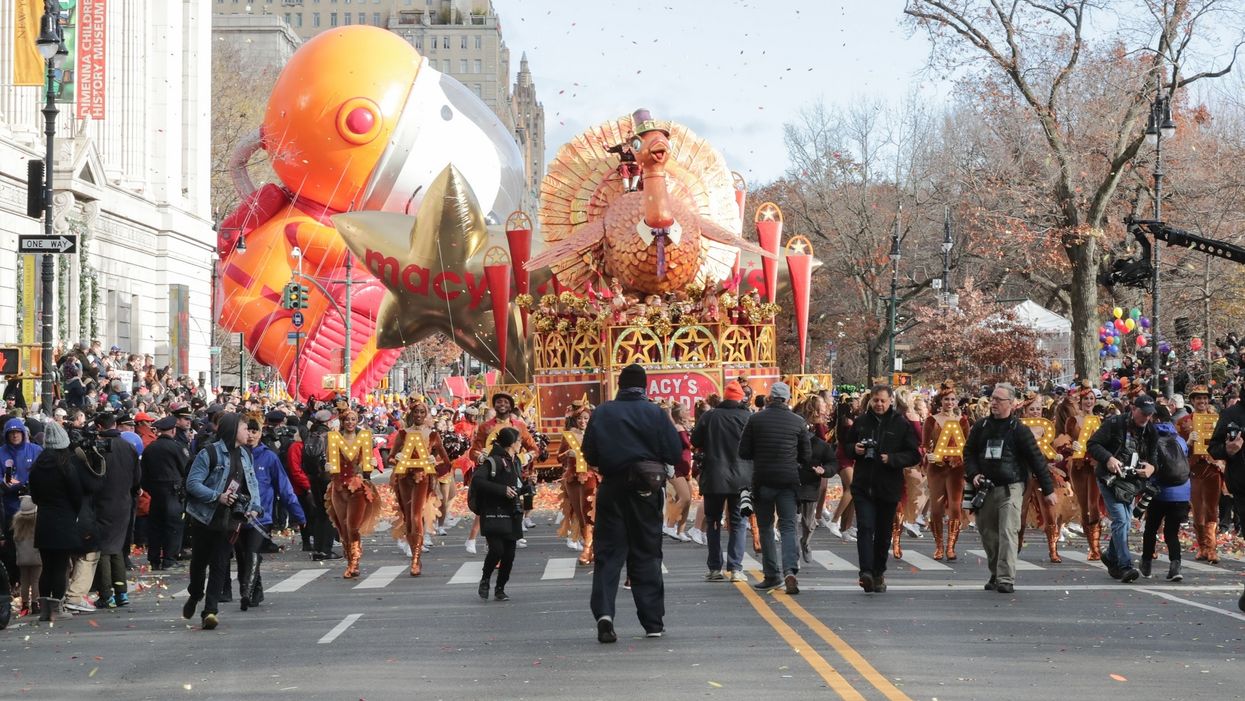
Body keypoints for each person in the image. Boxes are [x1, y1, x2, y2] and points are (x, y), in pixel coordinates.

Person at [583, 364, 682, 644]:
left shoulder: (602, 411)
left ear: (620, 385)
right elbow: (674, 452)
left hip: (612, 486)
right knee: (646, 552)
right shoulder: (655, 413)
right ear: (644, 385)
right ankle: (652, 621)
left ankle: (605, 614)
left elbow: (589, 452)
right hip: (646, 489)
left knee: (608, 554)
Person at [963, 383, 1057, 594]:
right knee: (988, 533)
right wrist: (974, 474)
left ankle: (1006, 578)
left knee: (1008, 531)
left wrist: (1048, 490)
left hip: (1011, 487)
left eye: (999, 400)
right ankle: (995, 572)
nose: (993, 403)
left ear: (1011, 404)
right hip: (984, 488)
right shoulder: (981, 426)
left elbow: (1036, 460)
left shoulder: (1020, 430)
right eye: (993, 399)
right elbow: (968, 453)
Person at [182, 413, 262, 630]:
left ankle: (210, 610)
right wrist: (217, 496)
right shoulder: (209, 453)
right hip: (204, 517)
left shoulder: (246, 455)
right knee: (199, 563)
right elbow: (193, 484)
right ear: (233, 429)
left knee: (220, 563)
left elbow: (252, 484)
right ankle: (195, 593)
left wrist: (254, 508)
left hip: (229, 520)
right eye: (245, 428)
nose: (249, 432)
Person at [738, 382, 810, 594]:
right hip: (788, 480)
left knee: (766, 527)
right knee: (788, 527)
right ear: (787, 399)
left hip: (763, 480)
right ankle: (790, 570)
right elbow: (806, 456)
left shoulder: (755, 419)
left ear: (769, 398)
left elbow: (743, 451)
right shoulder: (798, 422)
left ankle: (772, 574)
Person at [848, 385, 921, 594]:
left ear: (890, 401)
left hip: (888, 486)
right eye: (875, 400)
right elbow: (845, 446)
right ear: (870, 401)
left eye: (882, 400)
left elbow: (914, 454)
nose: (879, 404)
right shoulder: (861, 422)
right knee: (865, 527)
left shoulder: (900, 424)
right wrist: (855, 448)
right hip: (863, 485)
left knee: (883, 533)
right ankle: (866, 573)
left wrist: (893, 459)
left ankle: (878, 572)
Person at [1087, 394, 1159, 584]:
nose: (1146, 418)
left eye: (1150, 415)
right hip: (1110, 478)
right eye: (1143, 413)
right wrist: (1108, 458)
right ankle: (1125, 565)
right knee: (1120, 520)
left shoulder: (1151, 430)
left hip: (1132, 482)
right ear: (1133, 409)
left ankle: (1110, 556)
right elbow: (1092, 444)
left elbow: (1154, 459)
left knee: (1126, 521)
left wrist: (1151, 468)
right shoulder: (1115, 423)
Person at [28, 422, 93, 623]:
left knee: (47, 566)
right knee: (61, 566)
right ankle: (57, 605)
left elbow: (35, 496)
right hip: (64, 519)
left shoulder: (38, 466)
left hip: (45, 519)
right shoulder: (66, 466)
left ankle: (45, 609)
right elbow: (76, 495)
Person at [238, 417, 306, 609]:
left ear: (261, 433)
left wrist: (298, 515)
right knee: (243, 556)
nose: (251, 435)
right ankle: (256, 590)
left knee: (252, 552)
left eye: (255, 431)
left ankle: (246, 591)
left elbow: (284, 488)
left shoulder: (269, 458)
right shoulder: (234, 455)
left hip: (262, 516)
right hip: (237, 516)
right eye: (248, 431)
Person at [691, 380, 753, 582]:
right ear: (739, 398)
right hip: (743, 479)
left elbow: (695, 441)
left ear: (725, 397)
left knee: (714, 522)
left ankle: (715, 567)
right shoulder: (747, 417)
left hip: (714, 477)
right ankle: (736, 568)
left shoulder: (710, 416)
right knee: (739, 522)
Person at [467, 392, 538, 554]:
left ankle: (511, 538)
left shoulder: (519, 426)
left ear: (511, 405)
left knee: (514, 505)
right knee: (491, 508)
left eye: (506, 402)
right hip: (493, 473)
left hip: (513, 473)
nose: (502, 404)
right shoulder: (486, 427)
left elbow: (534, 448)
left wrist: (524, 457)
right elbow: (474, 451)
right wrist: (480, 456)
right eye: (498, 402)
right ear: (494, 405)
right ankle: (489, 542)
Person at [389, 401, 450, 576]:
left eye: (422, 412)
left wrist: (434, 462)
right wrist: (397, 458)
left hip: (423, 479)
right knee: (409, 518)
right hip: (404, 479)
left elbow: (446, 462)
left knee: (416, 517)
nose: (419, 415)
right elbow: (391, 458)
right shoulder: (403, 434)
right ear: (411, 414)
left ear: (426, 415)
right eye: (416, 412)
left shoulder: (432, 435)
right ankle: (413, 552)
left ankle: (416, 558)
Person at [473, 427, 530, 601]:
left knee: (509, 555)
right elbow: (477, 480)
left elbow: (515, 487)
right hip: (493, 512)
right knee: (497, 550)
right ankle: (485, 580)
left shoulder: (516, 461)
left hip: (512, 512)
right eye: (519, 441)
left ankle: (500, 588)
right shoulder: (494, 461)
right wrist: (502, 490)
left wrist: (526, 488)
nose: (521, 444)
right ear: (512, 444)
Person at [92, 413, 141, 608]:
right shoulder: (128, 447)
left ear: (99, 427)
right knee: (117, 547)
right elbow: (137, 477)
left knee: (103, 549)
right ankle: (121, 592)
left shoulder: (99, 448)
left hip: (103, 502)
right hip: (123, 501)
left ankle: (106, 594)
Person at [326, 409, 381, 578]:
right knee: (343, 527)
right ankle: (349, 559)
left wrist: (370, 463)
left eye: (353, 419)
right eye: (347, 419)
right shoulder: (334, 439)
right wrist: (327, 467)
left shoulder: (363, 438)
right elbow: (329, 462)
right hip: (338, 487)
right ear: (342, 421)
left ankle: (355, 561)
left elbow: (367, 466)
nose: (350, 422)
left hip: (357, 487)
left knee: (353, 526)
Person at [1140, 403, 1190, 581]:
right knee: (1171, 532)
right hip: (1182, 491)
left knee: (1151, 528)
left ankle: (1146, 563)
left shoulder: (1150, 438)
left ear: (1154, 418)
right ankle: (1175, 566)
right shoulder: (1180, 439)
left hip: (1159, 491)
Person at [1177, 386, 1224, 563]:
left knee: (1212, 508)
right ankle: (1202, 547)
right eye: (1198, 399)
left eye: (1205, 399)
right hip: (1194, 470)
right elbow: (1177, 448)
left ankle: (1211, 548)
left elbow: (1223, 443)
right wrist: (1189, 442)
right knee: (1197, 510)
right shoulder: (1183, 422)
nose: (1202, 402)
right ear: (1192, 401)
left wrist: (1221, 461)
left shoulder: (1217, 420)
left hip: (1212, 468)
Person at [924, 382, 969, 560]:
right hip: (936, 468)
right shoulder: (931, 420)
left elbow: (968, 446)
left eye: (952, 399)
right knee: (936, 508)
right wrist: (928, 455)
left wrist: (963, 459)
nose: (950, 402)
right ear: (940, 401)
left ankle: (951, 546)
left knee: (956, 507)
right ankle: (938, 545)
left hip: (957, 468)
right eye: (946, 399)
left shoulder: (963, 421)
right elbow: (924, 446)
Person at [290, 410, 340, 561]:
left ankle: (318, 548)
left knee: (319, 514)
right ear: (329, 422)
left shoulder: (310, 435)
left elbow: (302, 424)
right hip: (327, 478)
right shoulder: (331, 437)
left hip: (313, 478)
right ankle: (326, 549)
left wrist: (308, 411)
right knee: (330, 514)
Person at [141, 416, 191, 570]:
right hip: (174, 492)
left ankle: (154, 559)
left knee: (156, 526)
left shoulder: (150, 448)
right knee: (173, 526)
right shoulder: (177, 447)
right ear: (173, 430)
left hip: (156, 493)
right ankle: (169, 559)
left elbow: (143, 473)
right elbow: (187, 468)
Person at [558, 404, 597, 565]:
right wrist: (568, 454)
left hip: (590, 476)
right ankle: (590, 547)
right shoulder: (568, 435)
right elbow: (558, 457)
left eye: (586, 418)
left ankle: (587, 548)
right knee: (579, 513)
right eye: (579, 418)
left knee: (589, 511)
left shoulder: (595, 434)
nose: (582, 421)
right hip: (573, 478)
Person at [663, 404, 695, 542]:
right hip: (677, 467)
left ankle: (681, 530)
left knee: (688, 501)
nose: (688, 412)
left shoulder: (685, 427)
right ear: (679, 414)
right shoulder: (676, 428)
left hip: (686, 466)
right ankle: (670, 525)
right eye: (685, 410)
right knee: (685, 498)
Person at [12, 495, 39, 617]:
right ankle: (35, 603)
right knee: (36, 580)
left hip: (22, 557)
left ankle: (24, 605)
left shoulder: (17, 522)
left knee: (24, 581)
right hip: (36, 556)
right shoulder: (37, 521)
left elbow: (15, 539)